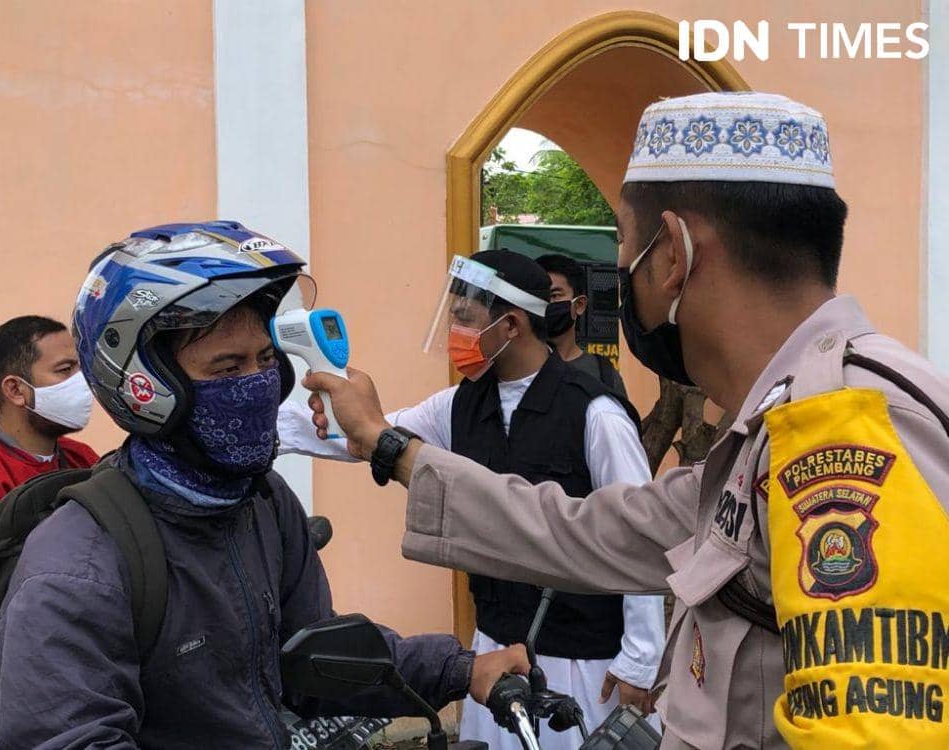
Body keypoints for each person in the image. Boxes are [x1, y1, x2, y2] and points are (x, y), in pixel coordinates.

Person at [303, 93, 949, 749]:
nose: (623, 287)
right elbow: (581, 530)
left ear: (674, 255)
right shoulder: (772, 430)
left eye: (625, 260)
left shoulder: (844, 431)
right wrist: (386, 445)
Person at [0, 222, 526, 750]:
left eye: (266, 359)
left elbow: (311, 658)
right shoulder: (78, 567)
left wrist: (460, 669)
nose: (260, 382)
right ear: (146, 387)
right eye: (226, 367)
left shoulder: (261, 501)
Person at [281, 249, 665, 747]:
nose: (455, 332)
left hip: (584, 662)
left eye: (465, 319)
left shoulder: (596, 414)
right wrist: (266, 425)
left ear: (510, 326)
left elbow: (638, 537)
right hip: (495, 657)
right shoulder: (459, 404)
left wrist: (639, 660)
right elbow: (367, 438)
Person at [0, 316, 98, 606]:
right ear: (16, 390)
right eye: (65, 370)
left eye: (80, 366)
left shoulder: (82, 457)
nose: (83, 382)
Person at [536, 254, 628, 399]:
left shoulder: (604, 374)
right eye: (540, 297)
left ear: (579, 305)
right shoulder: (518, 370)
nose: (547, 303)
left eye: (555, 295)